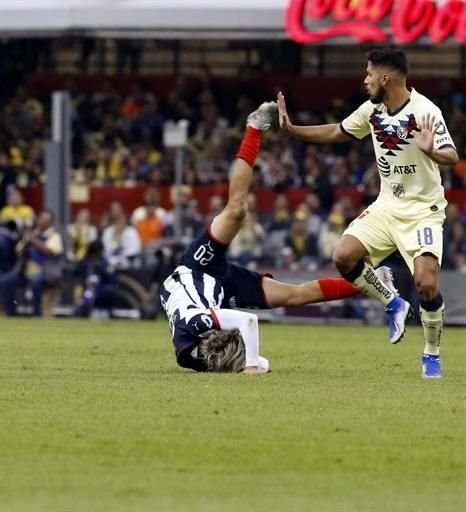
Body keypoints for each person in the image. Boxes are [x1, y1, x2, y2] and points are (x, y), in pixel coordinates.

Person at [160, 102, 394, 374]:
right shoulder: (190, 356)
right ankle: (373, 282)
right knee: (295, 296)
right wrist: (256, 362)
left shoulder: (197, 324)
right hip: (220, 293)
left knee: (236, 211)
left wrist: (250, 366)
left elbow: (247, 323)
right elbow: (260, 359)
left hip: (196, 269)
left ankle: (253, 127)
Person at [278, 47, 458, 378]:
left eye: (369, 74)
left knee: (426, 283)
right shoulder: (372, 110)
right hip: (387, 206)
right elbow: (336, 131)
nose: (365, 80)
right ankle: (392, 302)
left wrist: (432, 149)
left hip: (423, 211)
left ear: (385, 78)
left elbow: (451, 154)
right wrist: (294, 130)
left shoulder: (424, 110)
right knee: (343, 255)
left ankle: (431, 353)